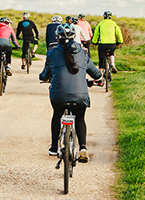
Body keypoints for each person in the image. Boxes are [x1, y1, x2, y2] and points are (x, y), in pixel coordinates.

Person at [39, 23, 101, 161]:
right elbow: (95, 72)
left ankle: (54, 147)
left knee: (57, 115)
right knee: (79, 118)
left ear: (57, 37)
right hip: (80, 96)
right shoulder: (82, 53)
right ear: (74, 37)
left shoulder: (52, 53)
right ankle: (83, 148)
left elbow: (45, 75)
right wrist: (99, 78)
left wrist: (43, 77)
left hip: (58, 95)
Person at [0, 17, 19, 88]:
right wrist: (17, 46)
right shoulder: (10, 29)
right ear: (7, 23)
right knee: (8, 56)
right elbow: (14, 40)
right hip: (7, 46)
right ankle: (8, 66)